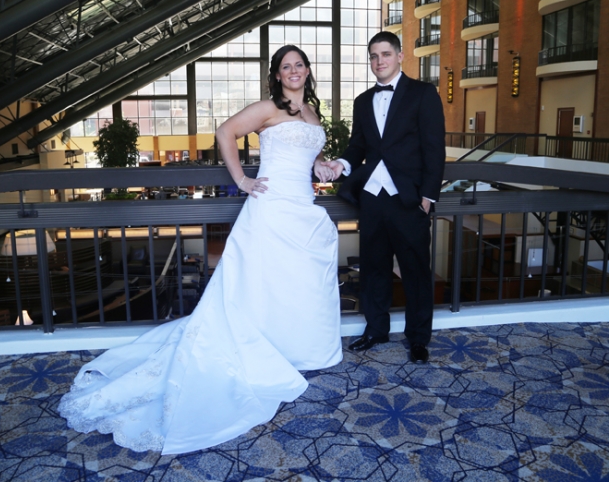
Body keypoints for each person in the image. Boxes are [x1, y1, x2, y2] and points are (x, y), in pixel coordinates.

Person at [58, 45, 342, 455]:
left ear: (308, 70)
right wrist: (242, 180)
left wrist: (323, 163)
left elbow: (307, 153)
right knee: (261, 284)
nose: (294, 71)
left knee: (292, 286)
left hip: (302, 210)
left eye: (299, 65)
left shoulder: (313, 113)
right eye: (286, 67)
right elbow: (225, 132)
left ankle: (288, 348)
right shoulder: (267, 108)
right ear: (277, 75)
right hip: (271, 209)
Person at [326, 31, 445, 364]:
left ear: (400, 55)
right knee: (374, 269)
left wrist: (428, 197)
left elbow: (435, 149)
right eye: (374, 56)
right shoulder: (363, 101)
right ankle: (376, 329)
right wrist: (342, 163)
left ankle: (419, 338)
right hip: (373, 200)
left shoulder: (423, 94)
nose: (379, 61)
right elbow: (358, 147)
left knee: (416, 273)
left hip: (409, 199)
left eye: (385, 55)